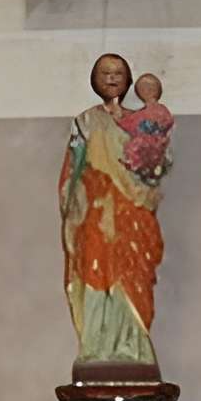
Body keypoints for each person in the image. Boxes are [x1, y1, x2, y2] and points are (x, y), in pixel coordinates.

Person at [59, 53, 169, 373]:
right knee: (95, 263)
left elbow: (157, 162)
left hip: (131, 211)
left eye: (118, 72)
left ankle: (132, 344)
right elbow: (73, 167)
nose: (111, 78)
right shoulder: (86, 121)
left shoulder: (143, 122)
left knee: (132, 267)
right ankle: (97, 344)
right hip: (96, 207)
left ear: (128, 78)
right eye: (105, 72)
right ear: (95, 79)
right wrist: (74, 199)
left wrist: (152, 165)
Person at [116, 71, 174, 183]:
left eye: (144, 89)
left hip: (144, 145)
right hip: (158, 144)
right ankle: (151, 171)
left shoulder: (143, 114)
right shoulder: (163, 110)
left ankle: (134, 165)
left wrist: (120, 121)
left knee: (133, 148)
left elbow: (131, 124)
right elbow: (170, 122)